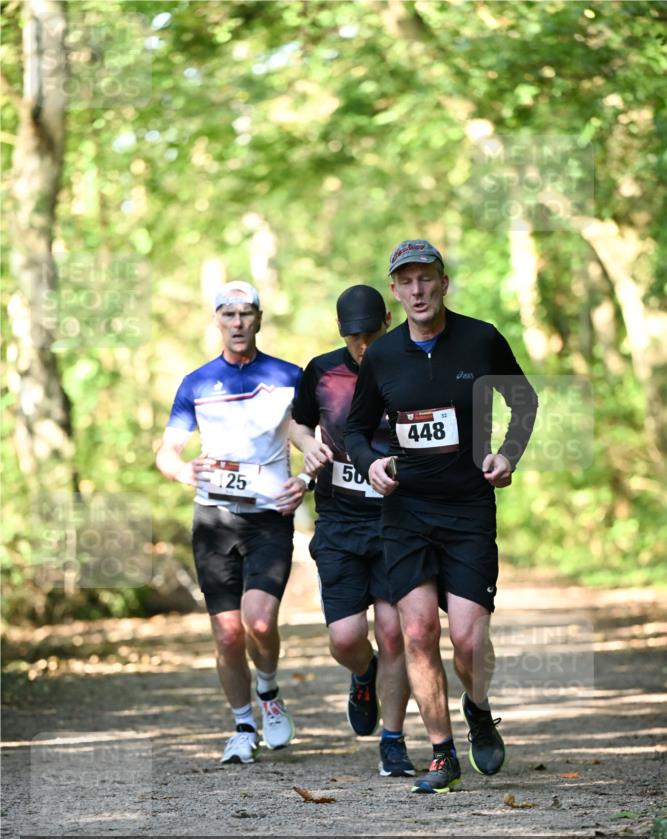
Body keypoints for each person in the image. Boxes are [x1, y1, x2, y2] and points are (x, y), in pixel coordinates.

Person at [345, 240, 538, 794]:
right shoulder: (382, 356)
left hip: (468, 508)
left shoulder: (481, 339)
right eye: (406, 282)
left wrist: (509, 454)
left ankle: (477, 707)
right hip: (405, 511)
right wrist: (370, 463)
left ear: (443, 283)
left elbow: (524, 402)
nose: (418, 290)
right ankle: (442, 754)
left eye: (426, 278)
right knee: (419, 632)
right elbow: (356, 430)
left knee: (469, 639)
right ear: (395, 291)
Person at [156, 281, 308, 765]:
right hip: (213, 521)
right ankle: (243, 726)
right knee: (226, 633)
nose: (238, 323)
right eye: (228, 314)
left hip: (268, 519)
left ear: (259, 319)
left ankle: (269, 691)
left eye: (246, 313)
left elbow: (313, 437)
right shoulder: (196, 383)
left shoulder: (289, 376)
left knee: (259, 620)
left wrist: (305, 480)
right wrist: (182, 470)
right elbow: (167, 450)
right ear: (217, 320)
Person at [290, 285, 414, 778]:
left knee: (394, 632)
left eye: (370, 334)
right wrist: (308, 446)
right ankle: (363, 673)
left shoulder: (410, 365)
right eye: (353, 336)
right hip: (339, 520)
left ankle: (393, 740)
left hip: (396, 518)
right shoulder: (322, 371)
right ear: (341, 333)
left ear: (388, 322)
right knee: (346, 639)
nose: (363, 345)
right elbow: (297, 424)